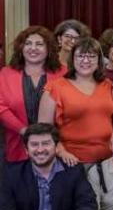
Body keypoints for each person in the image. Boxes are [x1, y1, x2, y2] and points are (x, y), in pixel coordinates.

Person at [38, 37, 113, 165]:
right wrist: (61, 152)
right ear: (72, 60)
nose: (86, 60)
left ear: (99, 61)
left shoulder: (108, 85)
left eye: (91, 56)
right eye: (80, 56)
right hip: (71, 161)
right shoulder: (55, 88)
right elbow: (43, 129)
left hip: (108, 160)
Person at [0, 27, 65, 166]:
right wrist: (24, 130)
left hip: (58, 148)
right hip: (18, 146)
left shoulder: (63, 72)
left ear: (49, 49)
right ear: (21, 48)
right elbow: (1, 107)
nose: (33, 48)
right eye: (28, 43)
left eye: (39, 44)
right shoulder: (6, 73)